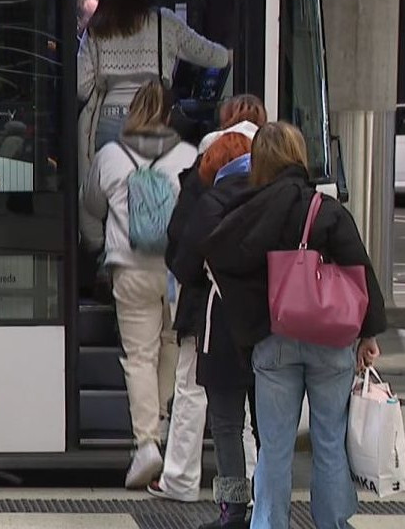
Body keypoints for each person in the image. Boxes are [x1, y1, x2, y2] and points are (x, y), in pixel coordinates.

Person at [203, 122, 386, 529]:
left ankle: (268, 523)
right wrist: (367, 333)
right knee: (328, 444)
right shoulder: (327, 209)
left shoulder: (250, 210)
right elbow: (360, 270)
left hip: (276, 339)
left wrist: (253, 323)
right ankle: (332, 523)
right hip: (331, 339)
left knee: (275, 448)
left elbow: (217, 253)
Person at [148, 94, 265, 504]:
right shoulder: (273, 182)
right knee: (256, 414)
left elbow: (181, 251)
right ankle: (255, 491)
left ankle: (185, 481)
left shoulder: (206, 185)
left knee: (199, 396)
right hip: (262, 315)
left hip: (208, 312)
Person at [80, 79, 197, 489]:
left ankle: (145, 443)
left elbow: (91, 206)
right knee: (169, 345)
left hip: (128, 267)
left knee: (139, 356)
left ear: (132, 113)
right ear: (169, 115)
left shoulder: (110, 156)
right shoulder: (188, 155)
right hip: (174, 270)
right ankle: (162, 426)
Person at [77, 0, 229, 182]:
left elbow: (81, 86)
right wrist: (230, 55)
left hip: (108, 121)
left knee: (110, 190)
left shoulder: (97, 29)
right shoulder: (164, 22)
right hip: (153, 116)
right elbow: (210, 55)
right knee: (151, 191)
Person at [171, 133, 257, 528]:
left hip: (220, 326)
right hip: (268, 328)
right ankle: (267, 507)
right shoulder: (268, 198)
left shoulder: (211, 203)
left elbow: (185, 266)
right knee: (268, 426)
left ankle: (233, 511)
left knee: (226, 425)